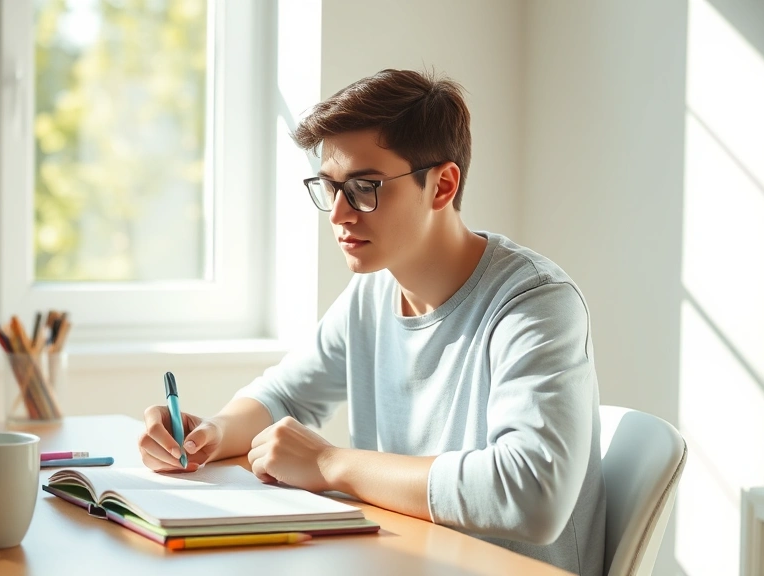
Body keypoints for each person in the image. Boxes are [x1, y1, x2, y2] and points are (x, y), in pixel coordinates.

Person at [138, 68, 604, 576]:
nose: (339, 213)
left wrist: (328, 464)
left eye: (364, 187)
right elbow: (287, 396)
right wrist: (207, 433)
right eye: (329, 186)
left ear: (443, 185)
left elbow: (532, 494)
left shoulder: (534, 303)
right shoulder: (373, 292)